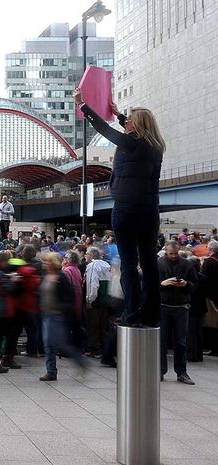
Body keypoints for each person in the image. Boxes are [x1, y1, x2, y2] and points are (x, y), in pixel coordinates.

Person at [76, 90, 164, 327]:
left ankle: (132, 314)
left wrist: (83, 106)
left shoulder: (132, 143)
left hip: (126, 209)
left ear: (137, 125)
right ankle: (151, 314)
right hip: (149, 211)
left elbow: (104, 130)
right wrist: (119, 114)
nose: (127, 123)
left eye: (130, 120)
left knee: (128, 263)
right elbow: (132, 129)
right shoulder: (154, 145)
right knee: (148, 262)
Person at [39, 253, 86, 381]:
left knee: (60, 343)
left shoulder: (61, 277)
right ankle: (51, 371)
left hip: (57, 315)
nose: (46, 264)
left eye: (48, 261)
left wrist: (60, 307)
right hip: (46, 314)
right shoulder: (45, 276)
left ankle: (79, 360)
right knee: (48, 344)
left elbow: (69, 297)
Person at [157, 241, 198, 385]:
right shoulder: (159, 263)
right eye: (170, 254)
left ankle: (181, 372)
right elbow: (149, 284)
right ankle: (160, 370)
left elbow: (195, 285)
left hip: (181, 306)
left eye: (175, 253)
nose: (173, 256)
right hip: (163, 306)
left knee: (181, 341)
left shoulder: (187, 264)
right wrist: (162, 283)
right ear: (166, 252)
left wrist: (186, 284)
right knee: (161, 341)